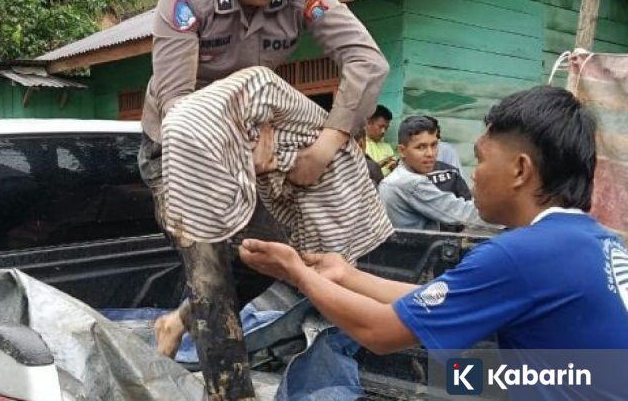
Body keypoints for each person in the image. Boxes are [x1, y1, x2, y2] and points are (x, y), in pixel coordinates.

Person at [138, 0, 389, 399]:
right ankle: (229, 390)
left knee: (276, 250)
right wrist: (238, 164)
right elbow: (177, 109)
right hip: (180, 151)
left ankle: (175, 322)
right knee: (209, 266)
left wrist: (326, 146)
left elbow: (368, 62)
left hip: (260, 140)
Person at [239, 85, 628, 397]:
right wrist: (345, 275)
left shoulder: (521, 256)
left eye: (480, 159)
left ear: (520, 170)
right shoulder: (594, 242)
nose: (471, 175)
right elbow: (437, 297)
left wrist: (298, 274)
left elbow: (381, 332)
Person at [378, 116, 484, 229]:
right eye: (421, 147)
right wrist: (501, 217)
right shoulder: (411, 183)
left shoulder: (393, 178)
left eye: (434, 145)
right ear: (402, 151)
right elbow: (461, 212)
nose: (430, 153)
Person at [365, 105, 397, 176]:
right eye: (381, 126)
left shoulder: (387, 147)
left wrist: (394, 168)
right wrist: (382, 163)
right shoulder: (360, 144)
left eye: (386, 127)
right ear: (369, 123)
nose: (383, 131)